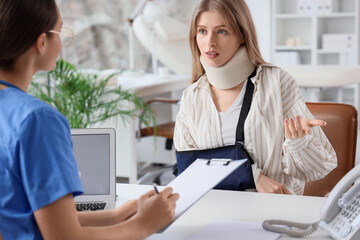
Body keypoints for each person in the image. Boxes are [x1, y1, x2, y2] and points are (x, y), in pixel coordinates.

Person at [0, 0, 179, 239]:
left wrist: (114, 216)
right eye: (60, 31)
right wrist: (145, 224)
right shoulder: (37, 120)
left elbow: (23, 215)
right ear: (41, 43)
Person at [174, 0, 337, 195]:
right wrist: (252, 176)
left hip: (272, 211)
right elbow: (189, 170)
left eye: (222, 31)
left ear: (242, 35)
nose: (210, 42)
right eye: (202, 31)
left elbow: (321, 167)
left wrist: (298, 142)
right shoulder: (192, 97)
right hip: (214, 208)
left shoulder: (277, 83)